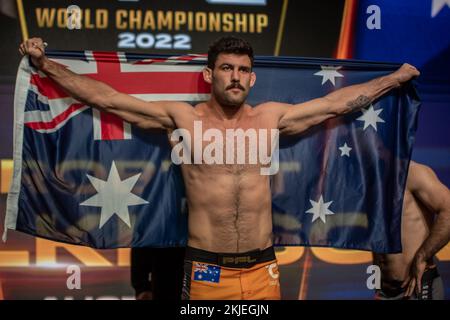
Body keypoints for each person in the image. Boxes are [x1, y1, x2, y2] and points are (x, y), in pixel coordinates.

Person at [19, 36, 420, 300]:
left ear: (253, 78)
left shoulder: (270, 117)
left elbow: (337, 104)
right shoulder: (183, 118)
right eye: (227, 68)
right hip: (207, 274)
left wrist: (396, 78)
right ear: (210, 74)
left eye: (243, 70)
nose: (236, 77)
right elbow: (108, 98)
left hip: (264, 271)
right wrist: (46, 64)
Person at [373, 161, 450, 300]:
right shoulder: (370, 179)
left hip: (416, 286)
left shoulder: (413, 173)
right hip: (385, 291)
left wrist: (422, 256)